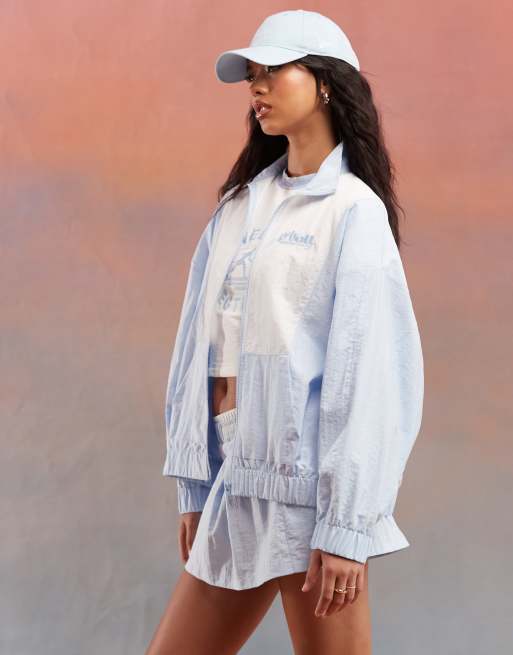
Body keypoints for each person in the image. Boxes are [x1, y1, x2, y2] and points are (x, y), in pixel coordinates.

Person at [146, 9, 424, 655]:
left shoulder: (352, 212)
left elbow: (370, 376)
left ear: (325, 82)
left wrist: (345, 528)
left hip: (306, 495)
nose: (257, 85)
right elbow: (197, 349)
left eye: (273, 69)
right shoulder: (239, 206)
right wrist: (195, 484)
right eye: (252, 74)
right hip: (233, 480)